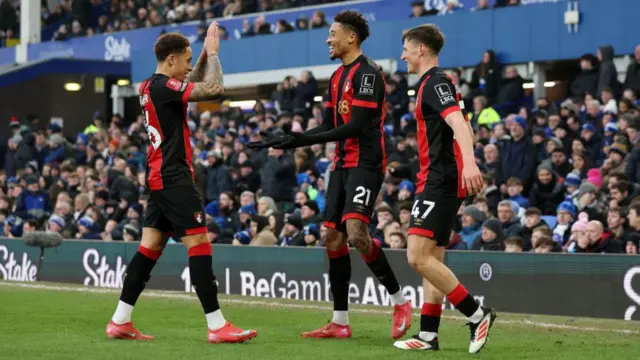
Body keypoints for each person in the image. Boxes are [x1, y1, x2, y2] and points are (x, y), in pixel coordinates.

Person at [249, 11, 412, 340]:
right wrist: (292, 139)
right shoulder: (336, 78)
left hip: (366, 162)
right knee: (332, 240)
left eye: (333, 33)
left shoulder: (368, 75)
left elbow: (355, 126)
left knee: (356, 232)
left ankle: (400, 302)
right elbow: (328, 125)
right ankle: (340, 322)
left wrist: (304, 140)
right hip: (340, 164)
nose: (328, 39)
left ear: (351, 37)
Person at [105, 22, 257, 344]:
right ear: (171, 60)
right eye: (186, 59)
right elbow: (213, 89)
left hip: (158, 176)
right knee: (199, 243)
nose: (190, 66)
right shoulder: (163, 88)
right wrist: (214, 56)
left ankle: (120, 320)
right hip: (174, 177)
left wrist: (201, 55)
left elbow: (191, 80)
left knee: (150, 247)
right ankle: (216, 326)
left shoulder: (149, 86)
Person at [392, 24, 496, 353]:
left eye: (406, 48)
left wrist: (470, 162)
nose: (403, 55)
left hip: (439, 180)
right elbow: (459, 124)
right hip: (436, 178)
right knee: (433, 259)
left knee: (416, 257)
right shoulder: (436, 83)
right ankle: (428, 335)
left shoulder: (435, 82)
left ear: (421, 49)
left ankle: (478, 314)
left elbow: (459, 124)